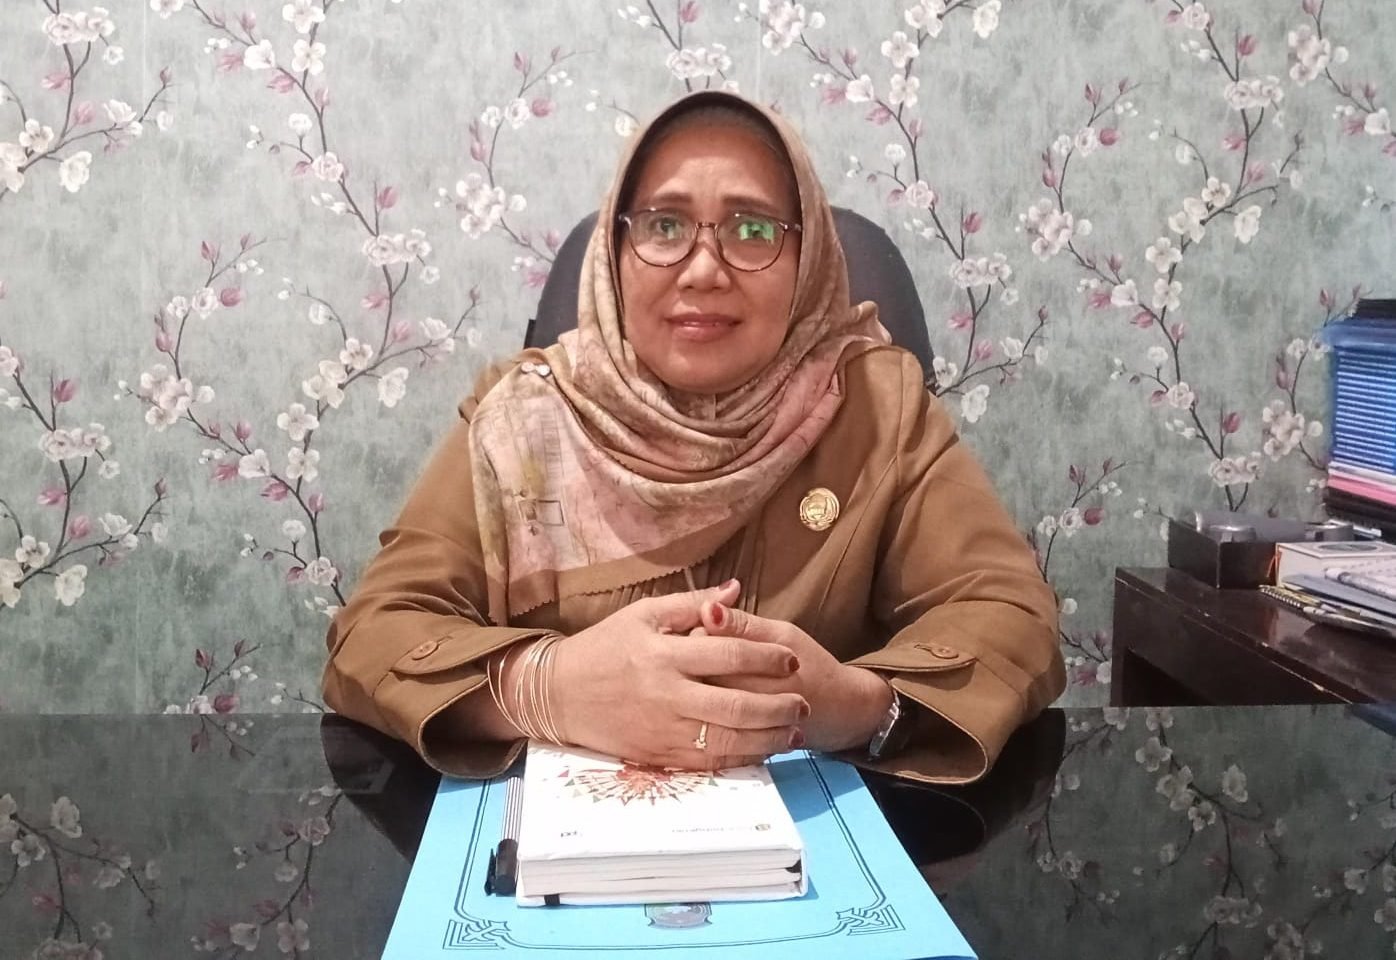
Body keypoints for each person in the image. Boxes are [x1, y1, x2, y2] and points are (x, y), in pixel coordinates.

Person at [323, 90, 1064, 784]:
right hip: (567, 842)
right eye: (665, 226)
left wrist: (858, 704)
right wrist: (543, 687)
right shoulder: (522, 418)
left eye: (753, 229)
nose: (704, 270)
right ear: (615, 253)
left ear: (806, 259)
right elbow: (374, 634)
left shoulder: (876, 406)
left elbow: (1011, 618)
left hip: (813, 830)